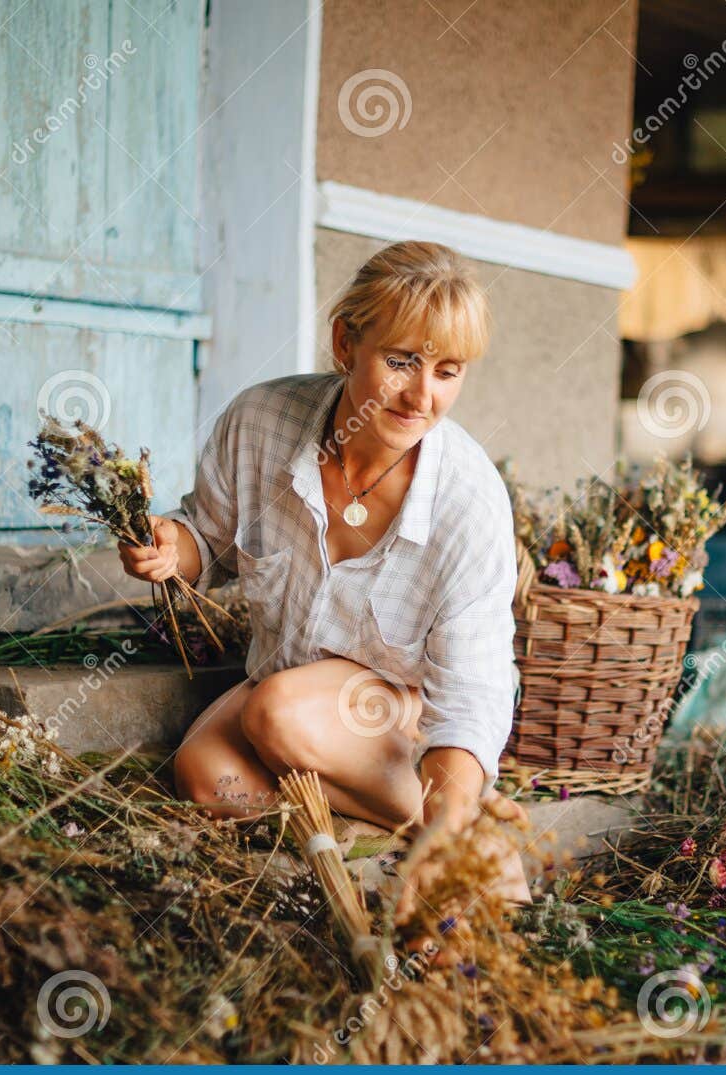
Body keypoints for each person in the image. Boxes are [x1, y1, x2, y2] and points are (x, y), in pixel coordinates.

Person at [118, 240, 528, 917]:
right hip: (288, 683)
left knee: (277, 711)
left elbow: (473, 696)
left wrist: (453, 790)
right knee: (206, 775)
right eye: (402, 361)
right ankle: (394, 826)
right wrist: (171, 547)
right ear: (345, 342)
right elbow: (207, 541)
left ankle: (458, 834)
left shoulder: (469, 501)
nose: (423, 395)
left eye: (448, 371)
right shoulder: (260, 421)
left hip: (398, 714)